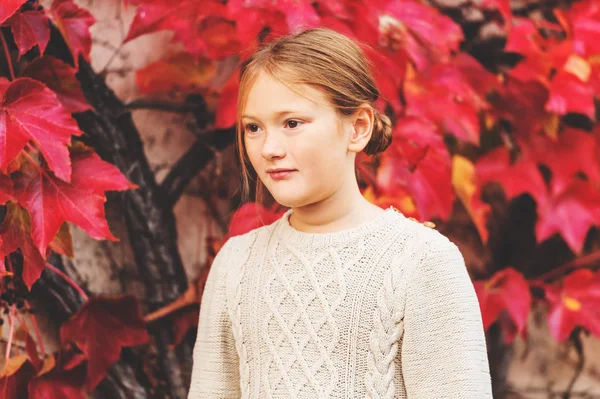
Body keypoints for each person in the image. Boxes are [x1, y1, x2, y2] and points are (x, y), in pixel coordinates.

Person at [188, 27, 493, 398]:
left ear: (358, 128)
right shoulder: (235, 263)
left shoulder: (421, 261)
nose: (268, 148)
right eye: (253, 127)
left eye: (292, 123)